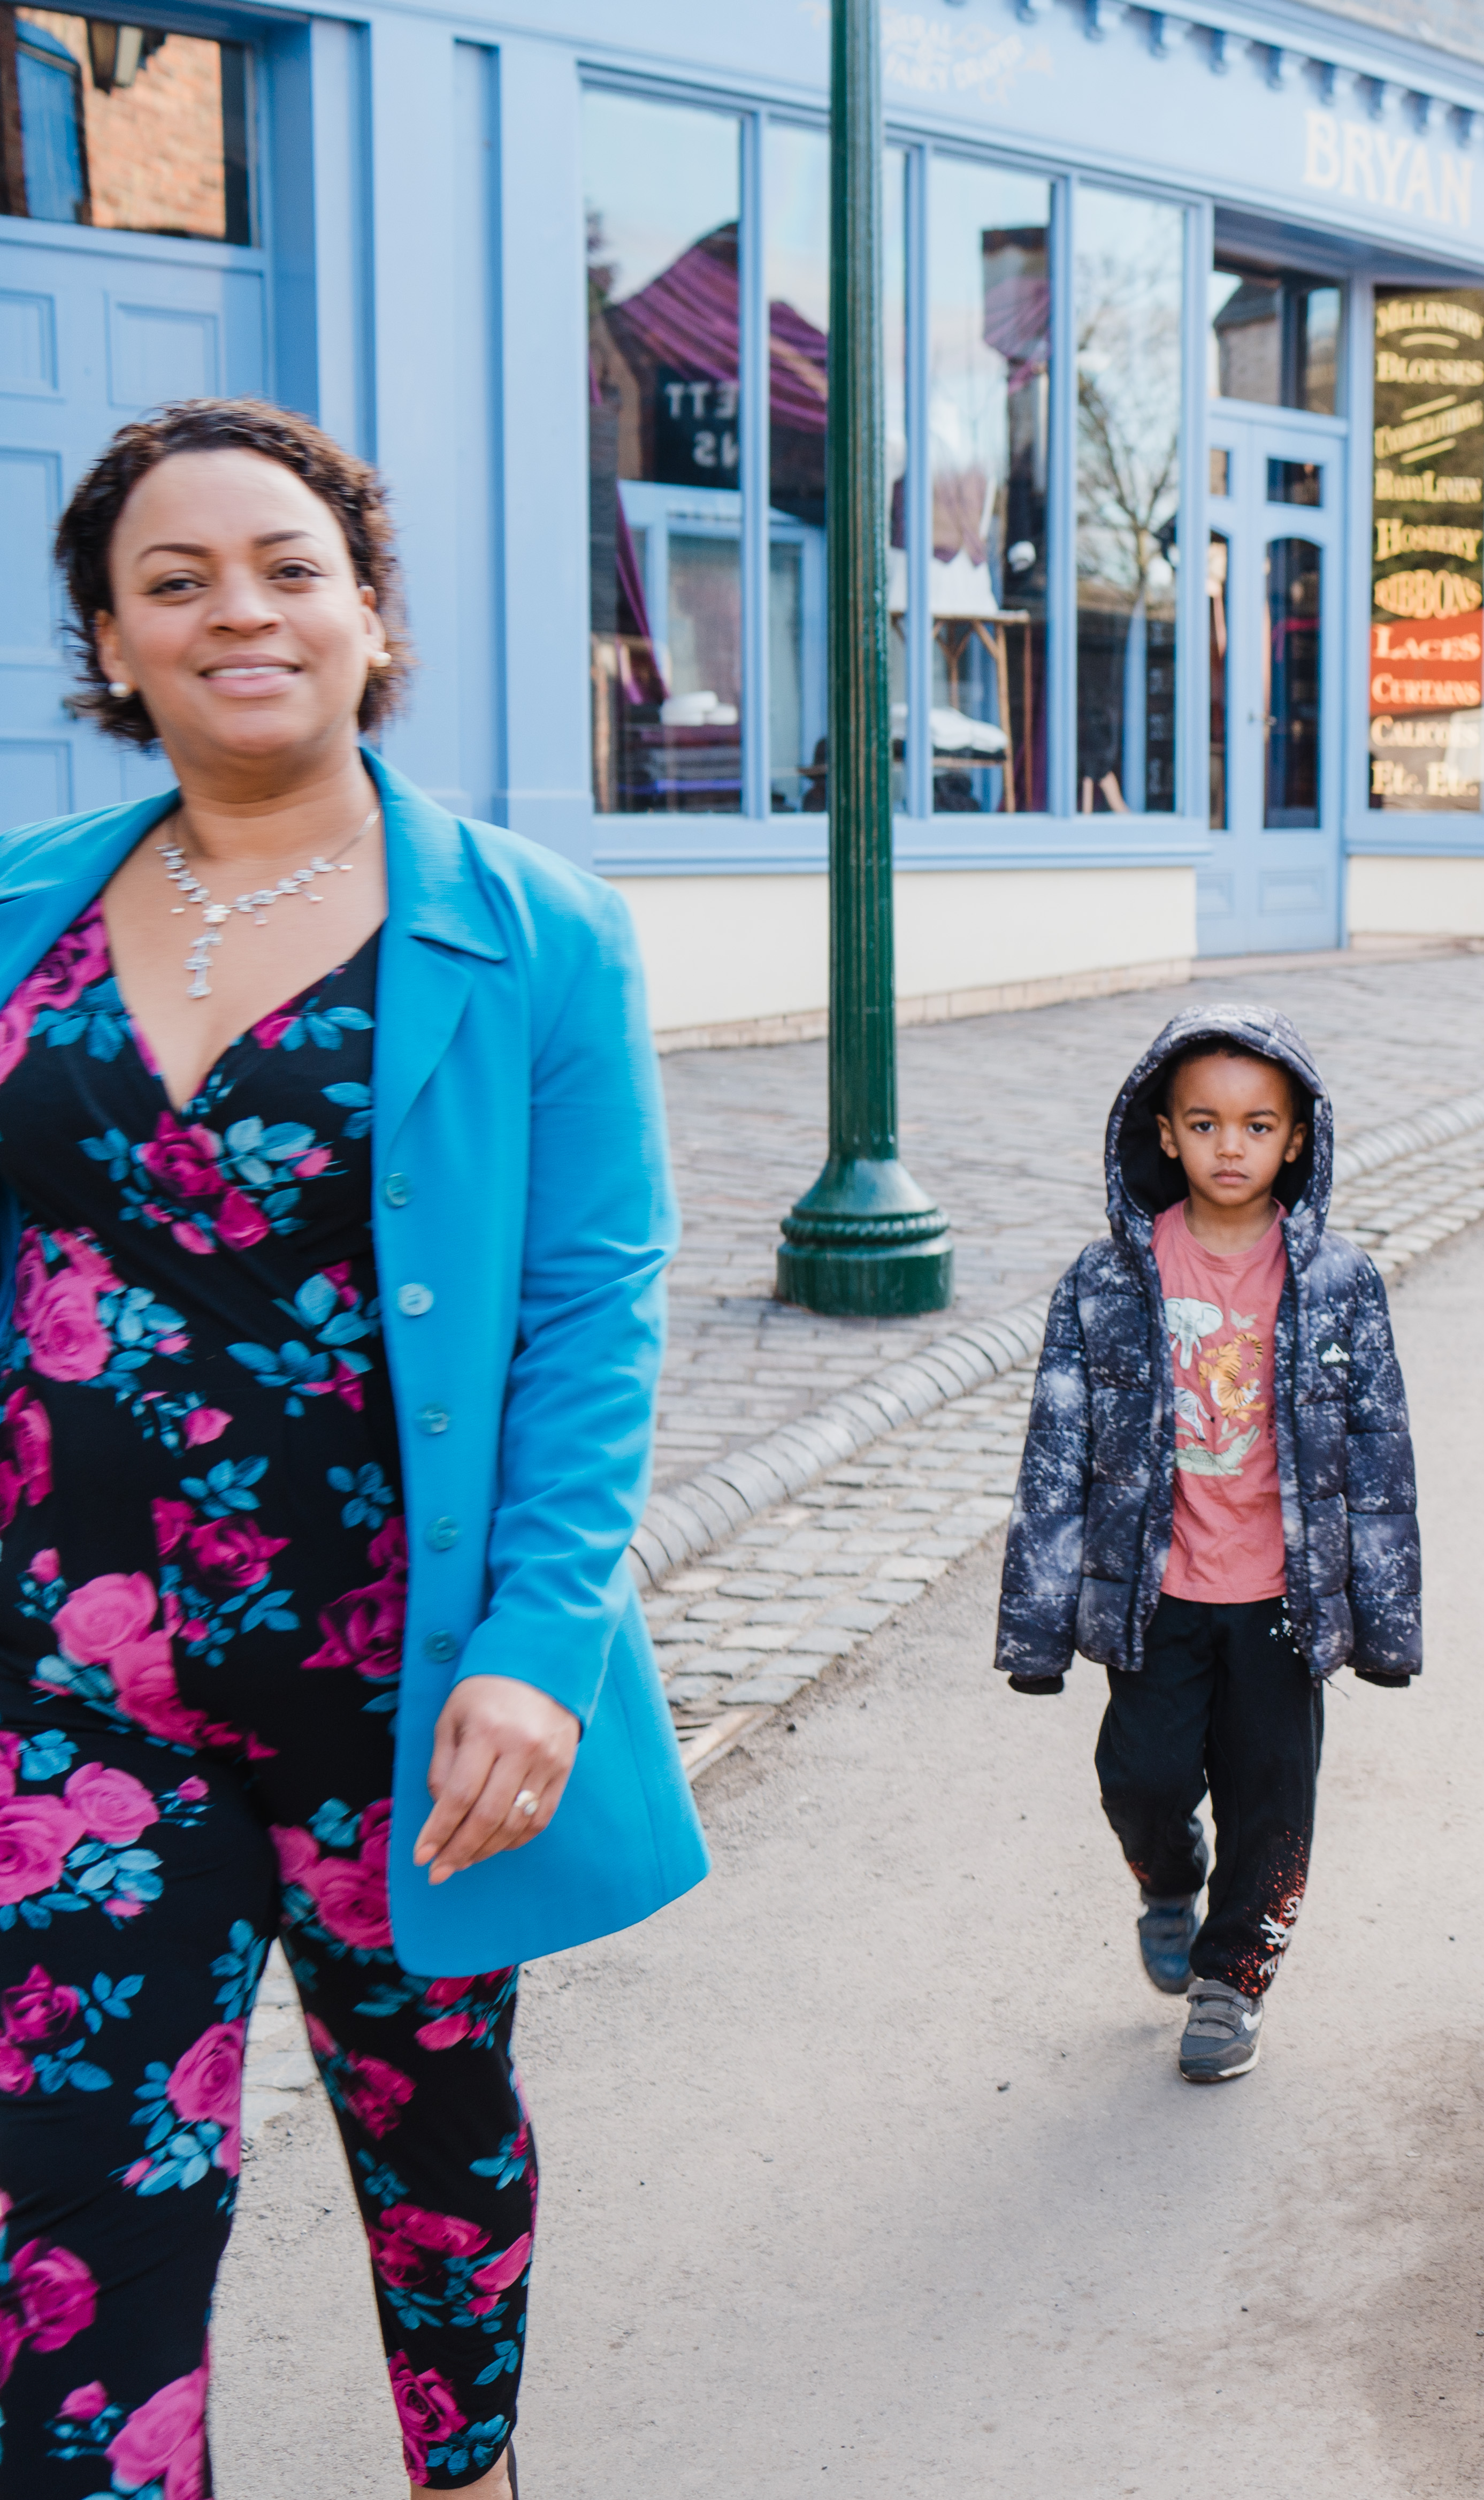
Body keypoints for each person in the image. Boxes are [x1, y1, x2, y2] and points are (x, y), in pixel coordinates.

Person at [0, 398, 706, 2496]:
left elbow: (594, 1304)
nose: (243, 610)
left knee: (435, 2131)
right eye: (177, 579)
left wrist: (539, 1637)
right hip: (70, 1706)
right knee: (75, 2217)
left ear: (370, 613)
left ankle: (465, 2467)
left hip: (397, 1689)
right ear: (112, 644)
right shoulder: (19, 914)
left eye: (291, 567)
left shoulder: (531, 929)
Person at [995, 1008, 1419, 2084]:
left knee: (1274, 1799)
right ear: (1165, 1133)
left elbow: (1379, 1457)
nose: (1232, 1145)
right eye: (1205, 1121)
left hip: (1285, 1596)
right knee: (1141, 1774)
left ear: (1297, 1141)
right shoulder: (1106, 1282)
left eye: (1258, 1124)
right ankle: (1167, 1871)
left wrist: (1386, 1617)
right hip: (1158, 1592)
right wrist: (1038, 1632)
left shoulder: (1338, 1283)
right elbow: (1055, 1452)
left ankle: (1234, 1981)